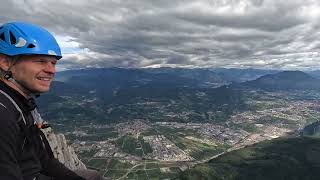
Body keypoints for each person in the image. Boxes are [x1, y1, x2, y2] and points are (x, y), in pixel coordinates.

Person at [0, 22, 103, 180]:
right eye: (40, 61)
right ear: (6, 63)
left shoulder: (23, 104)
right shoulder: (4, 113)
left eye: (53, 63)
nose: (51, 70)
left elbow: (45, 160)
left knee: (92, 176)